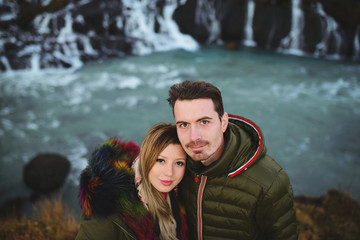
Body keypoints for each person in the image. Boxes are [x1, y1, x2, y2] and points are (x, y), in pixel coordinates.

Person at [167, 80, 298, 240]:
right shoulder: (175, 165)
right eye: (184, 125)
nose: (194, 137)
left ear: (223, 123)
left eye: (204, 122)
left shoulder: (269, 182)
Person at [76, 123, 188, 240]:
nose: (169, 172)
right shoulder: (109, 209)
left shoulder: (180, 197)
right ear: (145, 159)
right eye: (160, 160)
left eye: (179, 163)